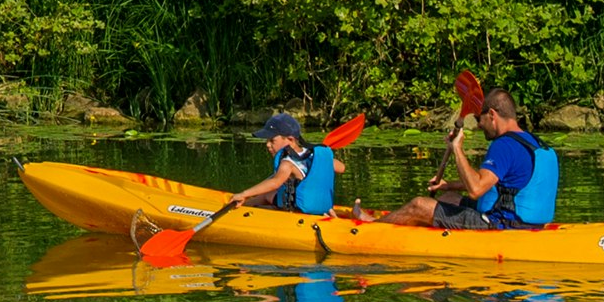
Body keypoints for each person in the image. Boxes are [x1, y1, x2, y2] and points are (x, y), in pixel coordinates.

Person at [384, 87, 557, 229]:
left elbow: (476, 190)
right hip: (530, 224)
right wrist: (449, 185)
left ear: (491, 114)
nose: (478, 125)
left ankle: (369, 228)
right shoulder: (534, 142)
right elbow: (501, 184)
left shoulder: (504, 145)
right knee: (448, 198)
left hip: (503, 226)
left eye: (477, 118)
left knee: (419, 205)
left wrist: (457, 148)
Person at [221, 111, 341, 217]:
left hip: (296, 216)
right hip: (316, 210)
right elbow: (341, 168)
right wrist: (323, 160)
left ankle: (241, 206)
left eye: (272, 140)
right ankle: (244, 205)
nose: (267, 145)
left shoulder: (287, 164)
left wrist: (244, 193)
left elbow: (275, 182)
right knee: (268, 194)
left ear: (290, 140)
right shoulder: (312, 156)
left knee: (269, 193)